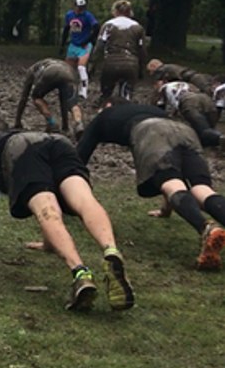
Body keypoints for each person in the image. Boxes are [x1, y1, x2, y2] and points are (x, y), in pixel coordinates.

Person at [0, 117, 135, 312]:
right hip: (59, 143)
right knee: (85, 201)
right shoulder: (21, 133)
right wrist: (46, 244)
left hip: (21, 151)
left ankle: (80, 272)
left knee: (46, 210)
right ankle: (111, 249)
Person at [76, 101, 225, 270]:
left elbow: (79, 158)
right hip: (184, 131)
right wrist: (166, 210)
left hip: (151, 133)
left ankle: (206, 228)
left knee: (171, 184)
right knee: (202, 189)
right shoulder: (147, 107)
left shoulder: (102, 118)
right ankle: (212, 228)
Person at [13, 58, 83, 137]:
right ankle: (78, 123)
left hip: (50, 72)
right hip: (68, 71)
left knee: (36, 97)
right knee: (71, 103)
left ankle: (52, 123)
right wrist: (65, 126)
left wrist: (17, 121)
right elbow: (63, 101)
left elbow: (24, 98)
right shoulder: (44, 62)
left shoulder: (31, 71)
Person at [94, 0, 145, 103]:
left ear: (115, 11)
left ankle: (105, 108)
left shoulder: (108, 25)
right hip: (131, 63)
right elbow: (142, 49)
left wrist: (93, 64)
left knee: (106, 93)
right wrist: (141, 68)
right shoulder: (137, 27)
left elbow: (99, 46)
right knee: (126, 96)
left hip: (111, 63)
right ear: (130, 12)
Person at [61, 0, 99, 99]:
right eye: (78, 7)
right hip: (73, 44)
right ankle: (69, 88)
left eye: (82, 7)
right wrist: (62, 44)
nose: (80, 10)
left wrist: (88, 40)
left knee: (81, 67)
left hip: (84, 45)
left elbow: (96, 27)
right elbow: (66, 29)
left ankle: (84, 90)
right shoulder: (70, 15)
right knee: (68, 69)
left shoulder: (87, 16)